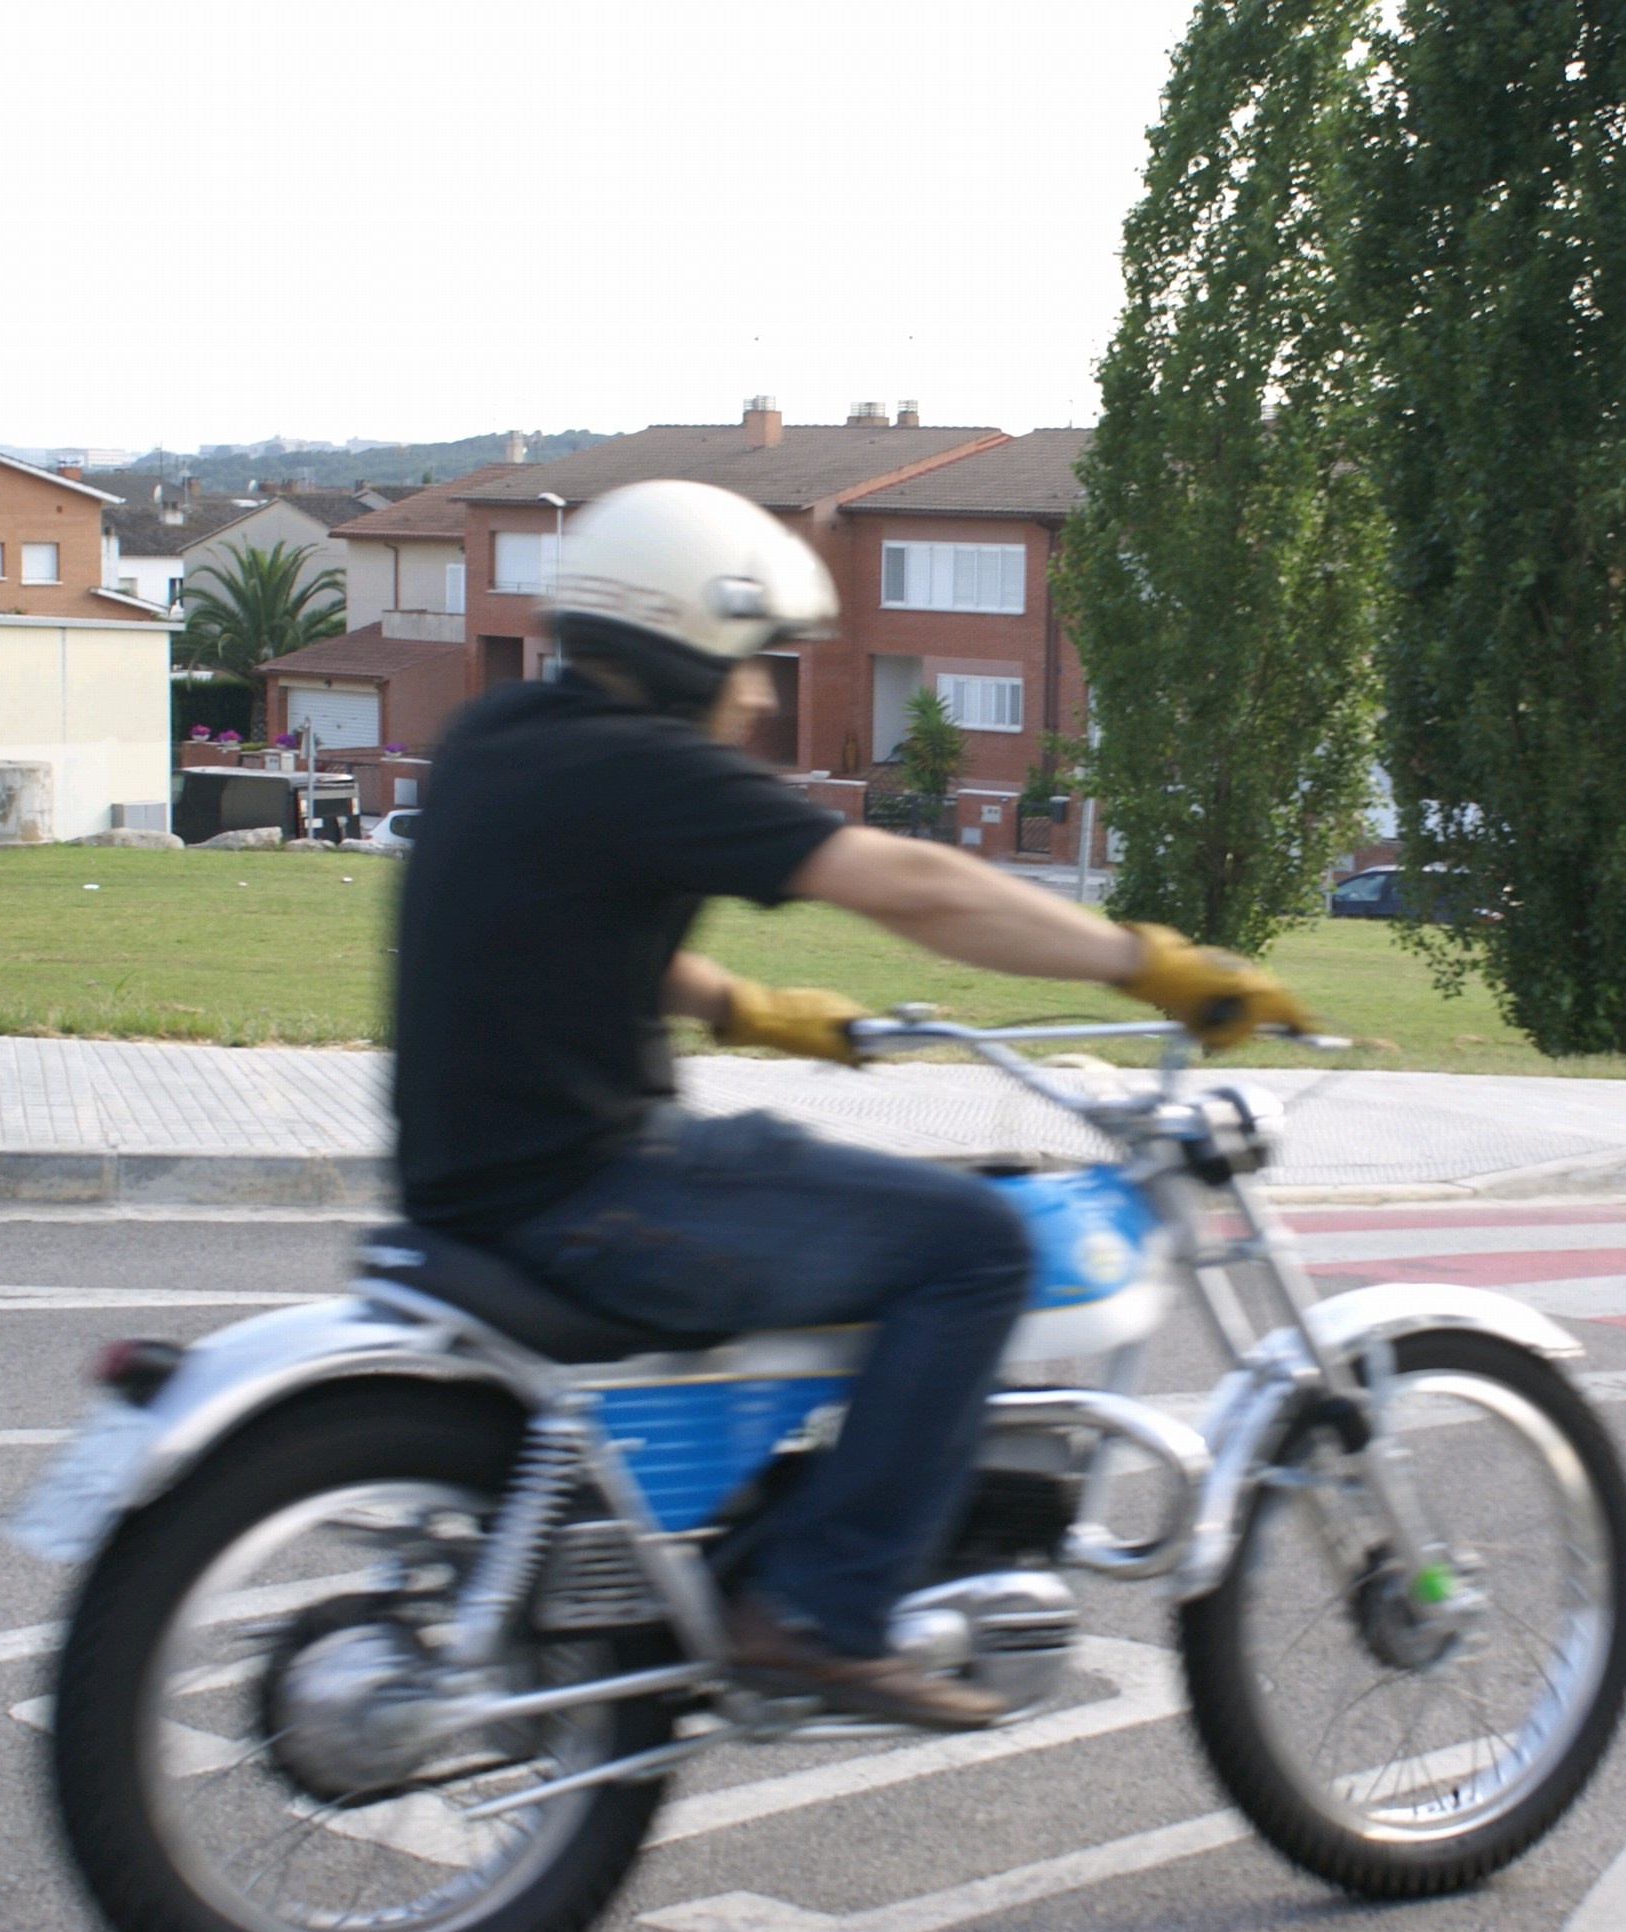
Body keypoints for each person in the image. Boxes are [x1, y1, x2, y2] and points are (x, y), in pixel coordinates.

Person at [390, 479, 1311, 1730]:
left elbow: (561, 930)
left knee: (833, 1186)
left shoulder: (503, 734)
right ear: (685, 639)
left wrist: (747, 1007)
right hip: (592, 1192)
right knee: (972, 1243)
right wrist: (1145, 961)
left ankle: (776, 1539)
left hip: (482, 1179)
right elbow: (914, 884)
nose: (761, 697)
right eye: (751, 661)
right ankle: (820, 1605)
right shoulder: (640, 763)